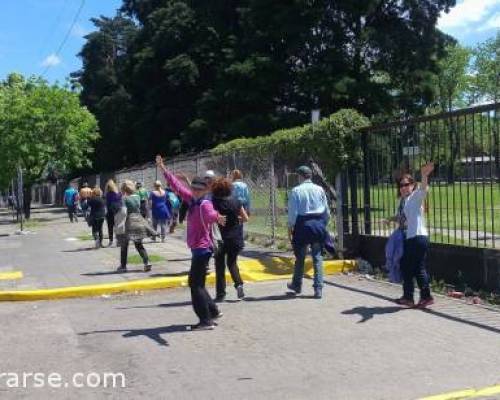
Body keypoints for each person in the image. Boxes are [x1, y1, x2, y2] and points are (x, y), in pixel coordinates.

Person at [157, 155, 226, 331]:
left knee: (194, 284)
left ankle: (205, 321)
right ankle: (213, 311)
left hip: (203, 249)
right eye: (193, 188)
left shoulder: (204, 204)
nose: (195, 191)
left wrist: (217, 217)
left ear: (205, 190)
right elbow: (177, 187)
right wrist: (163, 169)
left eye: (198, 189)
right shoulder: (193, 200)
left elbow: (211, 214)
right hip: (198, 248)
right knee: (199, 284)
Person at [390, 162, 435, 308]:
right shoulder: (406, 201)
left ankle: (414, 297)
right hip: (414, 238)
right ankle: (421, 297)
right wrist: (390, 219)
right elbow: (403, 219)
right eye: (401, 185)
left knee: (409, 267)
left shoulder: (415, 197)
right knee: (415, 267)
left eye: (406, 184)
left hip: (417, 238)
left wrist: (424, 175)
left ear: (412, 185)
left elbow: (423, 189)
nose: (403, 187)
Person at [287, 166, 329, 299]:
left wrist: (290, 227)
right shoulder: (319, 189)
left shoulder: (296, 191)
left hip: (303, 226)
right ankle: (318, 288)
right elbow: (326, 211)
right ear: (310, 175)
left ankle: (297, 284)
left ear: (300, 176)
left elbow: (293, 213)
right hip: (318, 225)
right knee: (317, 256)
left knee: (300, 257)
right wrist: (323, 224)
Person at [211, 178, 249, 302]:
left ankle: (220, 294)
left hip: (220, 238)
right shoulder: (236, 201)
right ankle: (239, 284)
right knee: (232, 263)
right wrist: (236, 219)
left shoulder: (214, 202)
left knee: (219, 265)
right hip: (235, 237)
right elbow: (245, 218)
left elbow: (211, 218)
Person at [116, 180, 153, 273]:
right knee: (139, 244)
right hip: (139, 220)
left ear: (124, 189)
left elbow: (124, 212)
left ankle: (123, 266)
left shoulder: (124, 198)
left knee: (124, 245)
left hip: (129, 222)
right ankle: (146, 261)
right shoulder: (137, 196)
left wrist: (119, 224)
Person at [105, 179, 122, 247]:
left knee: (110, 227)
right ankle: (118, 241)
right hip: (118, 212)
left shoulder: (108, 194)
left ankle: (111, 241)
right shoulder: (119, 193)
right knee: (118, 227)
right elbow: (121, 202)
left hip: (110, 212)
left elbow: (107, 204)